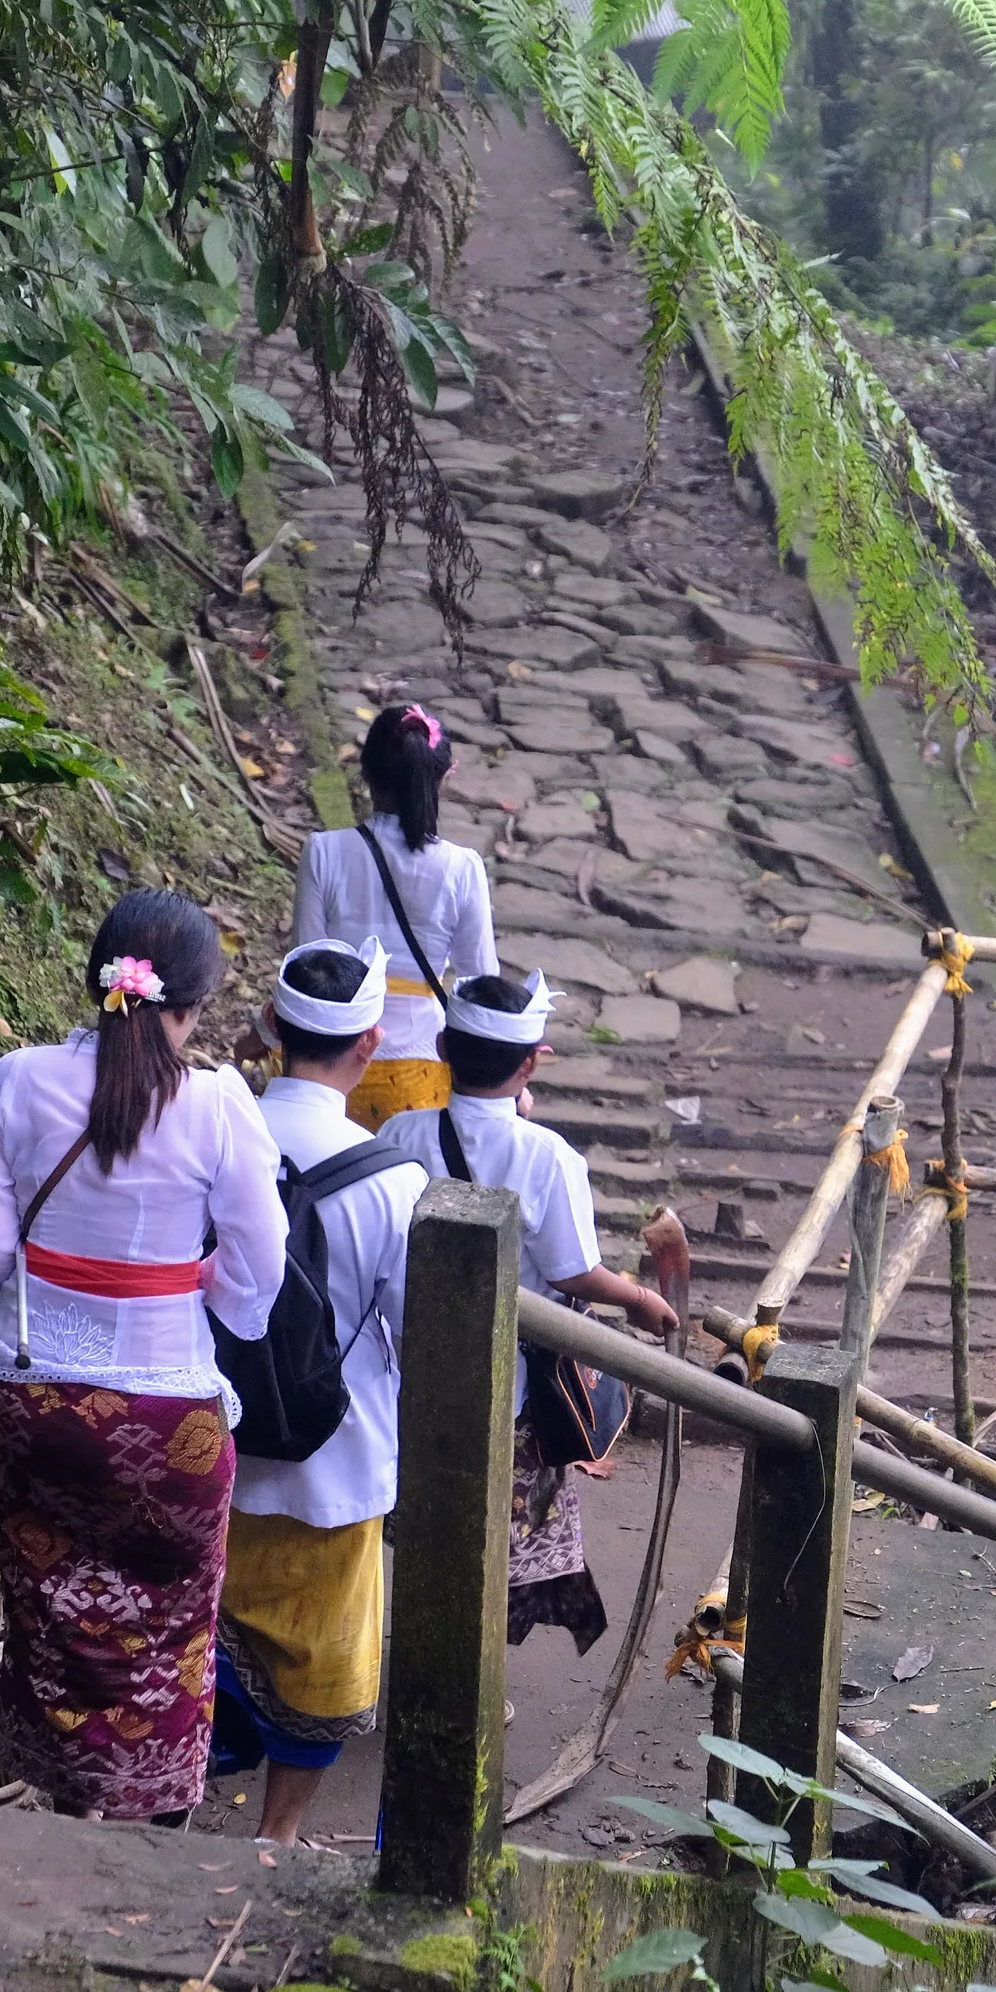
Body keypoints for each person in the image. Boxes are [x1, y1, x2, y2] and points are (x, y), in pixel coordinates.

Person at [0, 890, 287, 1824]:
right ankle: (151, 1820)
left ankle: (53, 1805)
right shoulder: (218, 1109)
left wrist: (64, 1282)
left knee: (50, 1619)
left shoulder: (9, 1084)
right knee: (170, 1634)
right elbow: (259, 1272)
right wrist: (191, 1291)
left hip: (28, 1402)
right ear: (194, 1007)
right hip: (164, 1420)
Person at [378, 972, 678, 1651]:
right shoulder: (547, 1155)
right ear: (529, 1061)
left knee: (433, 1524)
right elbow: (575, 1269)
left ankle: (427, 1653)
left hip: (414, 1379)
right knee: (499, 1537)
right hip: (511, 1387)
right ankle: (469, 1668)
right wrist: (635, 1297)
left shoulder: (399, 1133)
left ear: (443, 1046)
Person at [215, 940, 428, 1843]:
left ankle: (168, 1797)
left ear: (272, 1029)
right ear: (369, 1045)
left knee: (199, 1627)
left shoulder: (214, 1135)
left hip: (209, 1435)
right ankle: (279, 1837)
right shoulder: (396, 1182)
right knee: (323, 1661)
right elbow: (415, 1330)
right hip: (333, 1462)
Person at [289, 703, 496, 1131]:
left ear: (364, 775)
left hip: (332, 1068)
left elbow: (305, 967)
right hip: (421, 1071)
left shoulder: (324, 852)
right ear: (442, 778)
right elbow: (480, 983)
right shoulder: (462, 867)